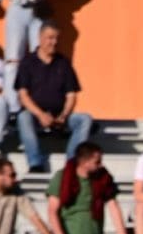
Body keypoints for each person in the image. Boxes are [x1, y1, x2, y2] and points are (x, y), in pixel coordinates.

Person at [15, 22, 92, 175]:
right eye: (50, 38)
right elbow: (23, 95)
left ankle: (71, 164)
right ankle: (35, 163)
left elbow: (71, 95)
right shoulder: (28, 62)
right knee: (23, 117)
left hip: (60, 116)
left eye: (56, 38)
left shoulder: (63, 63)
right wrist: (41, 115)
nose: (54, 42)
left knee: (85, 119)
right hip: (36, 116)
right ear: (40, 38)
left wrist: (63, 115)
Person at [45, 141, 132, 234]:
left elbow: (114, 207)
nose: (101, 165)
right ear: (84, 162)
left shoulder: (103, 179)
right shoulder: (62, 177)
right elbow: (52, 212)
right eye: (97, 162)